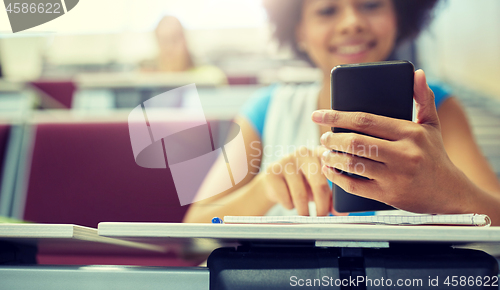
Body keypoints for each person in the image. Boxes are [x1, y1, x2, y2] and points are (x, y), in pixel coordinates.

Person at [183, 0, 500, 225]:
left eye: (372, 5)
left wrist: (447, 190)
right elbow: (192, 238)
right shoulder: (266, 109)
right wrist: (265, 188)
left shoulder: (438, 107)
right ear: (299, 31)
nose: (352, 23)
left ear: (398, 15)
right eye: (327, 10)